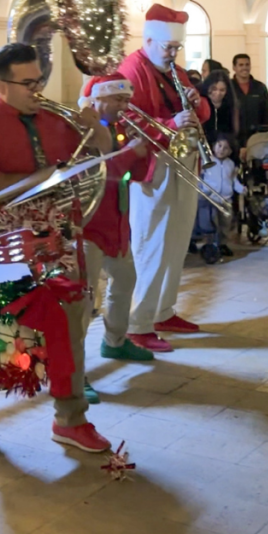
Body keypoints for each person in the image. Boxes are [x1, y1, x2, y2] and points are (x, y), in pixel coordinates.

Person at [0, 42, 113, 454]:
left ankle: (71, 419)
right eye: (27, 83)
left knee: (72, 332)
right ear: (0, 85)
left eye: (39, 79)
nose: (37, 89)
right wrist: (40, 177)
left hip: (60, 243)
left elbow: (103, 152)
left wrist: (94, 127)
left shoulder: (55, 119)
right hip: (6, 244)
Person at [117, 4, 211, 349]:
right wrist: (171, 125)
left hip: (184, 162)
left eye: (177, 49)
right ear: (150, 40)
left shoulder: (176, 70)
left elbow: (200, 113)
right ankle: (138, 322)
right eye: (168, 48)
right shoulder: (132, 69)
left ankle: (163, 309)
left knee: (177, 239)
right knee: (152, 242)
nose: (173, 55)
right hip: (154, 168)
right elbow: (126, 121)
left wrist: (195, 101)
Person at [77, 74, 157, 399]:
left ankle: (114, 342)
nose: (126, 107)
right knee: (82, 302)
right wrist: (130, 154)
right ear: (100, 99)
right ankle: (72, 374)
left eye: (127, 100)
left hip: (115, 224)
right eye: (119, 100)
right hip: (88, 225)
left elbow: (130, 176)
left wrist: (144, 150)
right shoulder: (83, 129)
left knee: (125, 280)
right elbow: (95, 172)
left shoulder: (119, 128)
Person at [193, 133, 245, 258]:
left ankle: (222, 244)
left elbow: (233, 180)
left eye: (225, 148)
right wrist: (202, 190)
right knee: (209, 223)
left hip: (225, 200)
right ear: (213, 146)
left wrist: (241, 189)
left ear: (230, 151)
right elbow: (199, 177)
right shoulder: (207, 161)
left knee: (225, 224)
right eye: (219, 145)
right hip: (209, 198)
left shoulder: (231, 164)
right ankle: (209, 244)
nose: (221, 150)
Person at [231, 54, 268, 154]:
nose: (244, 67)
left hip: (256, 137)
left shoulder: (260, 87)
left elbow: (267, 112)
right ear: (234, 67)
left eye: (247, 64)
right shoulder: (228, 87)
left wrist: (262, 131)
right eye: (241, 65)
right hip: (234, 139)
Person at [200, 69, 238, 144]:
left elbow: (235, 132)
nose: (218, 93)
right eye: (214, 89)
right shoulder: (200, 104)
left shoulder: (231, 106)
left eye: (222, 90)